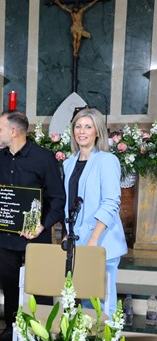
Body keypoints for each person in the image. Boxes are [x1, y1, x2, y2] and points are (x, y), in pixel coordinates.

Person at [0, 110, 65, 341]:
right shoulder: (0, 158)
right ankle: (11, 330)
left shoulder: (44, 158)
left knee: (41, 288)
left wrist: (42, 226)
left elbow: (58, 199)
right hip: (4, 237)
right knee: (10, 287)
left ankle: (43, 334)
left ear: (14, 131)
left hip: (36, 236)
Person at [63, 108, 127, 317]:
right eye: (78, 126)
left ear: (97, 132)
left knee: (102, 304)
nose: (82, 131)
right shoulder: (69, 163)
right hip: (78, 241)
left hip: (100, 242)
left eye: (88, 127)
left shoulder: (107, 161)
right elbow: (70, 203)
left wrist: (93, 239)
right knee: (85, 304)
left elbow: (111, 203)